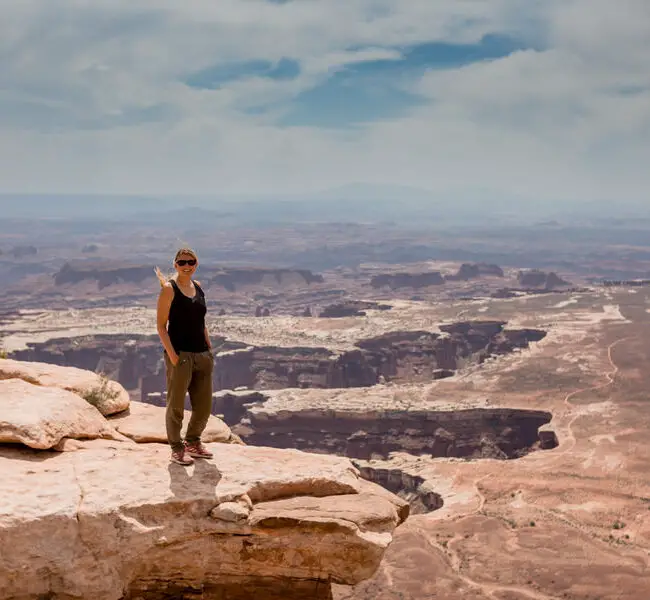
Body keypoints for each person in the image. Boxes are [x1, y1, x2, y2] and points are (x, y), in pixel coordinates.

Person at [155, 248, 215, 465]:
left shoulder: (198, 287)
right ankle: (177, 448)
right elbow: (161, 327)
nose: (187, 265)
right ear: (175, 265)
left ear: (196, 264)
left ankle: (193, 442)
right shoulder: (169, 290)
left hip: (202, 355)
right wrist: (173, 356)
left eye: (191, 262)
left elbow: (202, 322)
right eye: (182, 262)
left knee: (204, 405)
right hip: (181, 355)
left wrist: (209, 349)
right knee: (176, 405)